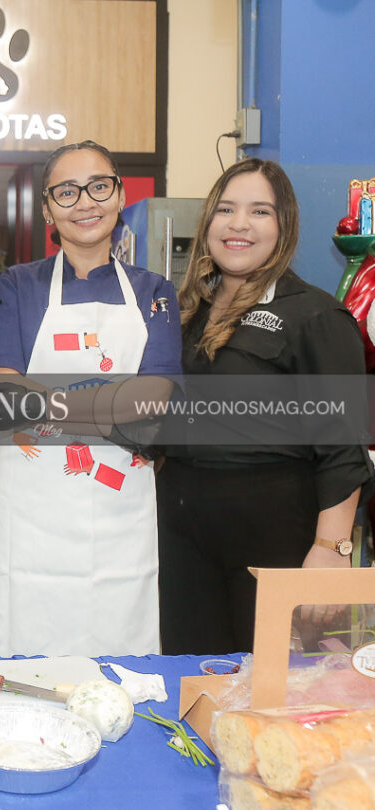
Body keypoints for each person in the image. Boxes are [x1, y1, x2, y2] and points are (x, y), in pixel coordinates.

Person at [0, 140, 182, 658]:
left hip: (119, 521)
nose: (85, 202)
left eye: (98, 186)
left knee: (119, 660)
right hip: (30, 521)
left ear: (119, 194)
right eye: (67, 192)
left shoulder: (155, 293)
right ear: (47, 209)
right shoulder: (20, 286)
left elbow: (153, 400)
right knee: (23, 658)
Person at [157, 158, 373, 654]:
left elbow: (343, 447)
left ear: (284, 225)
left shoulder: (315, 314)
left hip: (274, 532)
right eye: (226, 209)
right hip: (182, 533)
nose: (239, 224)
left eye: (260, 211)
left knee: (272, 687)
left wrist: (331, 549)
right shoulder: (187, 313)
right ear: (208, 221)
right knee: (194, 676)